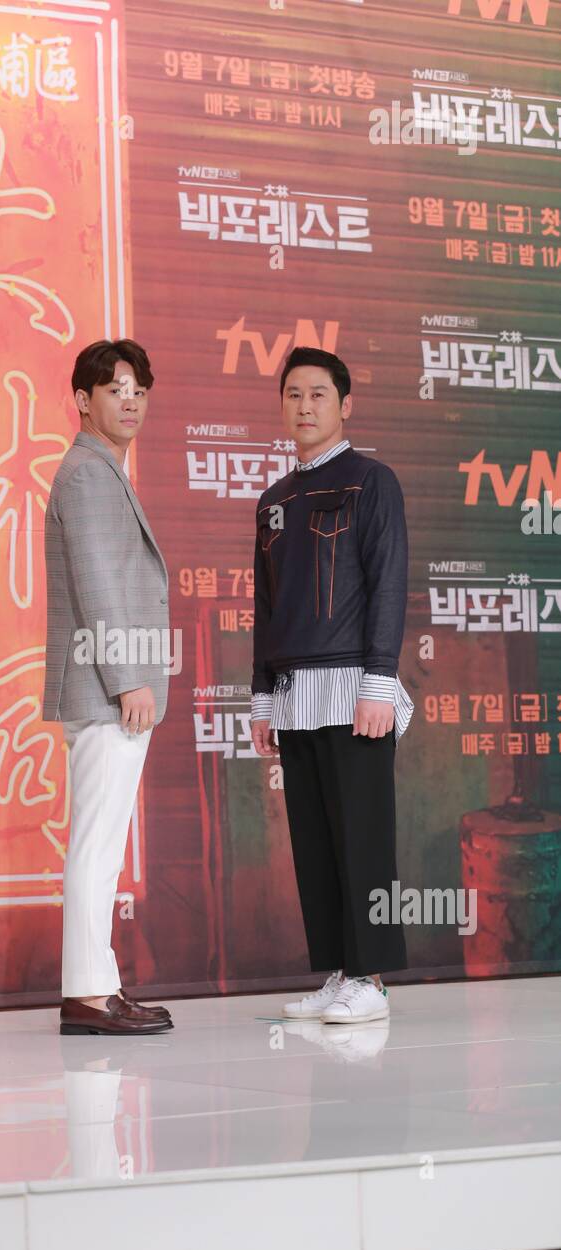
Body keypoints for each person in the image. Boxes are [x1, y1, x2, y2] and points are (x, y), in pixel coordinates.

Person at [251, 346, 414, 1023]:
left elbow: (389, 583)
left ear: (345, 404)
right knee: (317, 840)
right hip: (293, 692)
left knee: (362, 836)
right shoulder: (273, 501)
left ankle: (371, 981)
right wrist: (261, 697)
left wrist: (379, 678)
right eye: (293, 394)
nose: (305, 405)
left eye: (319, 393)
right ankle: (342, 973)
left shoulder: (372, 482)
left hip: (355, 686)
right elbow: (265, 605)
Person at [43, 339, 173, 1036]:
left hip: (106, 680)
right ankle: (88, 995)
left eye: (139, 389)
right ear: (83, 399)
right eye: (114, 387)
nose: (129, 399)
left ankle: (99, 985)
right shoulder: (88, 476)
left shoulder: (102, 470)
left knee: (101, 841)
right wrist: (128, 681)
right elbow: (95, 582)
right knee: (96, 843)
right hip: (106, 685)